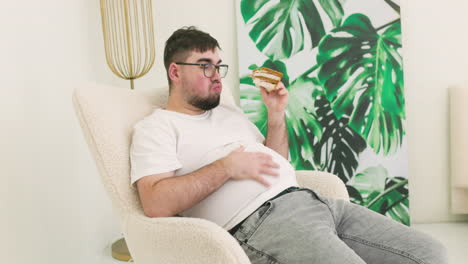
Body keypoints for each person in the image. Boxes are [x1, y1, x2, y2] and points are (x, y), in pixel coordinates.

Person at [130, 26, 447, 264]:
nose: (217, 76)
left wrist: (276, 114)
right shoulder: (156, 127)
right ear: (175, 71)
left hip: (315, 204)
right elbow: (155, 203)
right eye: (205, 65)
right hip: (261, 223)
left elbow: (275, 162)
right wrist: (226, 167)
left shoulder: (228, 112)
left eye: (219, 65)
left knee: (432, 254)